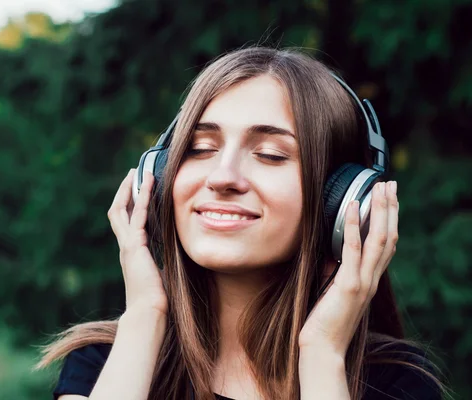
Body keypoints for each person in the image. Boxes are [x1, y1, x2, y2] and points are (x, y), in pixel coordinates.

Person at [36, 47, 449, 399]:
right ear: (159, 178)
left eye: (270, 154)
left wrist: (322, 355)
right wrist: (144, 315)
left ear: (343, 202)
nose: (222, 176)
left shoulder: (394, 381)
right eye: (200, 148)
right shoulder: (109, 361)